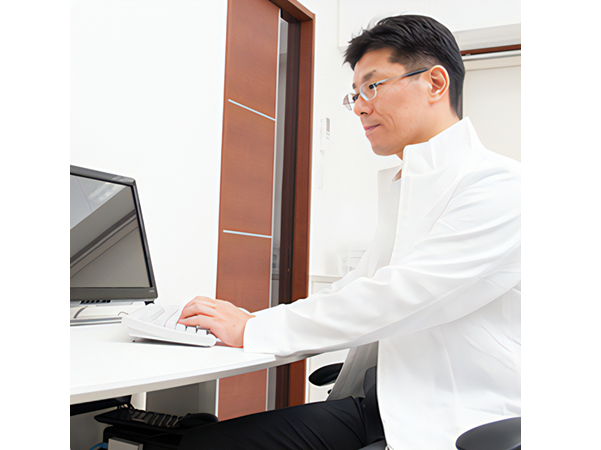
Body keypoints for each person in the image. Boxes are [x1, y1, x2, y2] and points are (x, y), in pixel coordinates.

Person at [177, 14, 521, 450]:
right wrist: (253, 321)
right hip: (383, 403)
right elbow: (358, 286)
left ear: (435, 83)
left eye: (372, 86)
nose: (359, 106)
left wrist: (251, 330)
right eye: (355, 94)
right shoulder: (410, 183)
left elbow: (399, 295)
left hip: (461, 414)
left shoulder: (501, 185)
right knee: (198, 439)